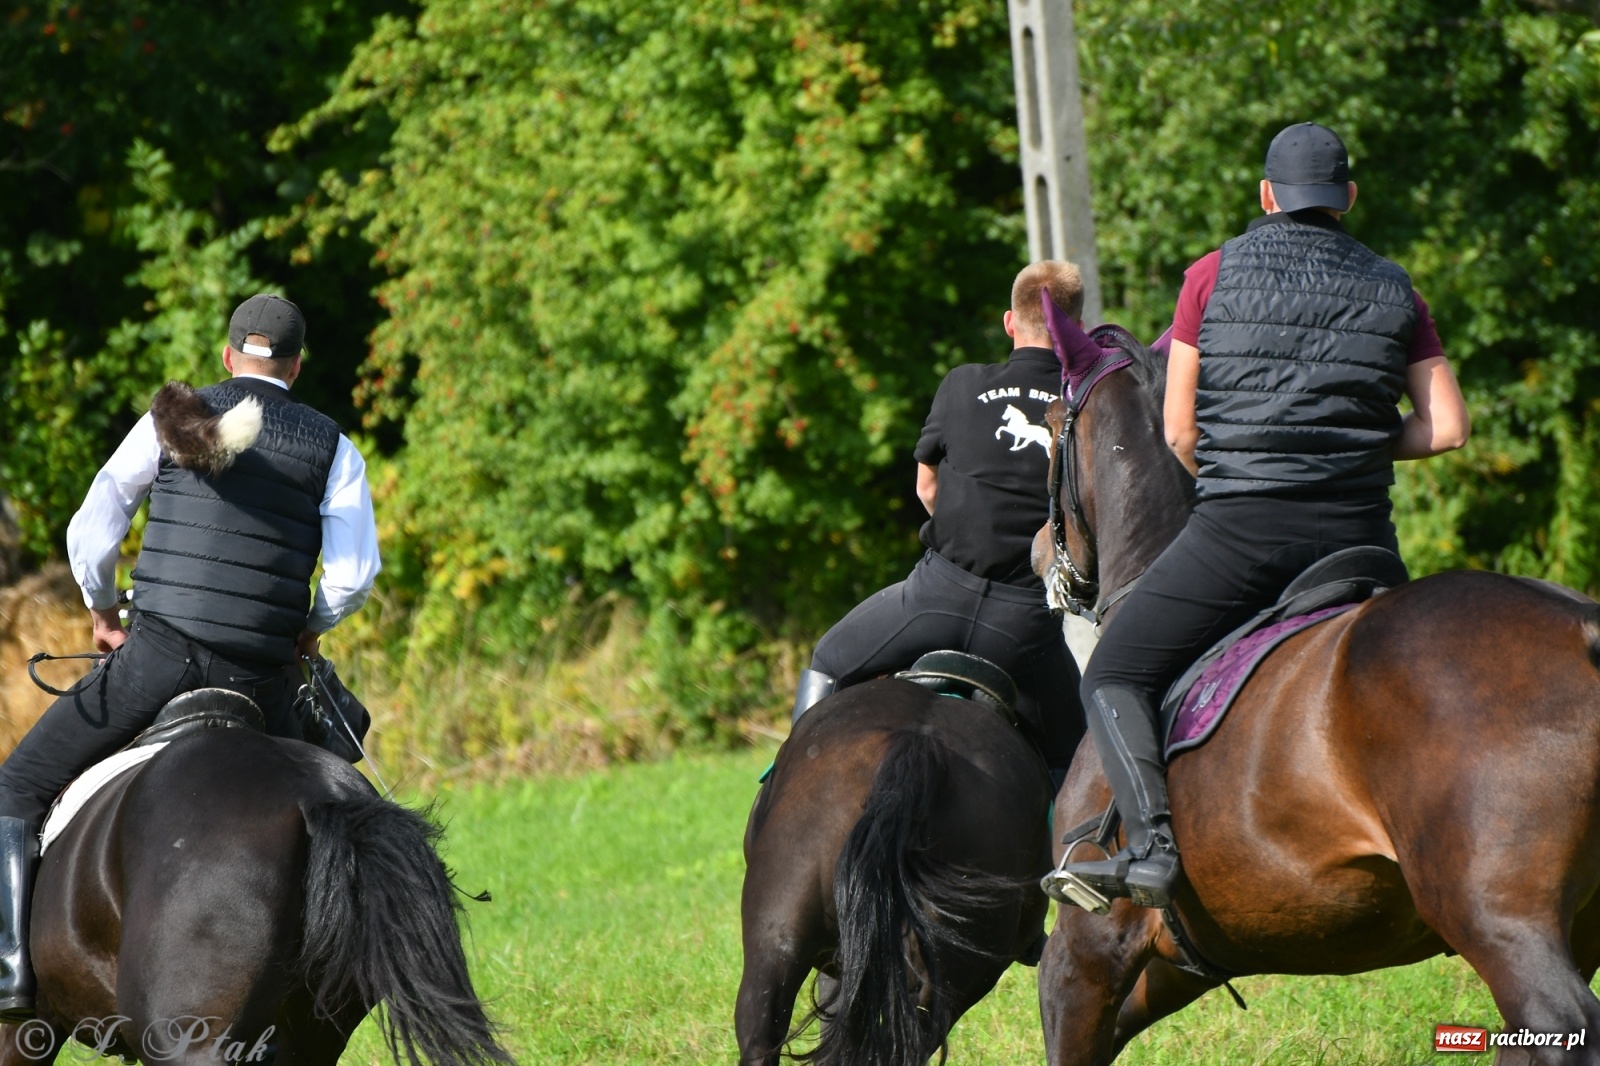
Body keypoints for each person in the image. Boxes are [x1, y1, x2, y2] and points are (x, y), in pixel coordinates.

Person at [1047, 122, 1470, 910]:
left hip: (1242, 535)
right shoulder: (1396, 286)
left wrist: (1246, 469)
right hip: (1361, 543)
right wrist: (1348, 442)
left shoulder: (1210, 275)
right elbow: (1446, 427)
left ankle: (1152, 851)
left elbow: (1179, 431)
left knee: (1114, 672)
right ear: (1348, 197)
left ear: (1267, 195)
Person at [0, 293, 381, 1017]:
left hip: (158, 660)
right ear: (297, 366)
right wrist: (308, 628)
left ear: (229, 356)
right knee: (344, 806)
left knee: (16, 785)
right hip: (263, 678)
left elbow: (95, 526)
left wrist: (101, 609)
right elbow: (352, 577)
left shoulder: (173, 417)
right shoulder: (335, 447)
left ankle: (9, 971)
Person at [796, 261, 1087, 775]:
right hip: (1024, 630)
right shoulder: (1085, 406)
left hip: (934, 600)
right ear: (1077, 328)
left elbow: (927, 487)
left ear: (1009, 322)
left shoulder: (961, 383)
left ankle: (791, 779)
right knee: (1079, 757)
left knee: (828, 660)